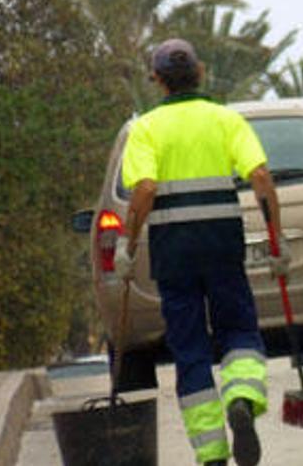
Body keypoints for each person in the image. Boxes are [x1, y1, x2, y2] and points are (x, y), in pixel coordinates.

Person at [119, 39, 288, 466]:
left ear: (157, 80)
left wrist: (128, 243)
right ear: (201, 72)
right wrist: (276, 238)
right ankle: (242, 400)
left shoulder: (146, 128)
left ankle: (212, 453)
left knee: (189, 347)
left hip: (173, 251)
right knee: (239, 329)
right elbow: (262, 178)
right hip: (221, 243)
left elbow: (145, 189)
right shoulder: (225, 120)